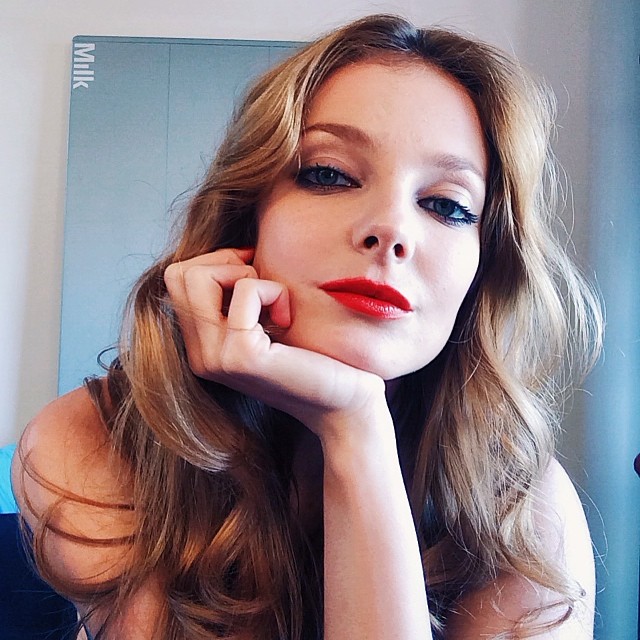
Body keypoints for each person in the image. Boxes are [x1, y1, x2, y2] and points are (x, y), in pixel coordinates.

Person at [11, 14, 602, 640]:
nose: (391, 228)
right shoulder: (93, 440)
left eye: (447, 205)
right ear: (248, 217)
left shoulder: (525, 509)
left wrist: (355, 428)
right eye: (328, 174)